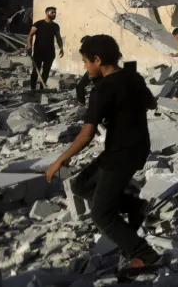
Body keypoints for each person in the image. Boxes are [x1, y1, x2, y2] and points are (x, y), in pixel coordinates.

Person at [44, 35, 161, 277]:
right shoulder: (133, 77)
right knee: (80, 184)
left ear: (97, 60)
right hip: (136, 148)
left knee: (101, 215)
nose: (85, 67)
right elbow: (151, 104)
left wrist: (60, 160)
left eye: (86, 62)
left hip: (121, 154)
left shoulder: (102, 90)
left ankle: (145, 254)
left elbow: (86, 135)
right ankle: (134, 206)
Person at [26, 6, 64, 92]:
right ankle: (33, 88)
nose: (54, 14)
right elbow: (30, 35)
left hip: (50, 52)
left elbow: (58, 38)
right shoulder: (38, 24)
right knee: (36, 71)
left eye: (55, 13)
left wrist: (61, 48)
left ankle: (42, 89)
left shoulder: (55, 26)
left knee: (46, 71)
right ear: (46, 13)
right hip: (39, 51)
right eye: (52, 12)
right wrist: (29, 47)